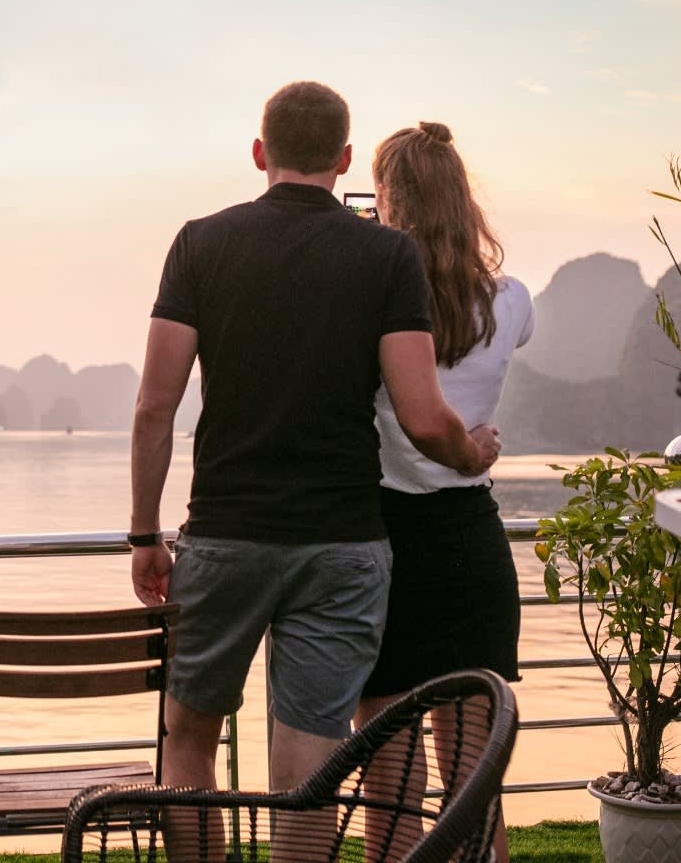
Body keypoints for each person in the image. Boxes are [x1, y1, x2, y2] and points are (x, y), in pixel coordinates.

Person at [128, 82, 501, 858]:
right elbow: (424, 416)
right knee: (307, 763)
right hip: (341, 545)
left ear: (259, 152)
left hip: (224, 535)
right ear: (342, 159)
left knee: (187, 739)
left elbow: (154, 407)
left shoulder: (199, 243)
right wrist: (474, 455)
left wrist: (142, 535)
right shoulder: (386, 255)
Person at [355, 121, 534, 863]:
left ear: (387, 199)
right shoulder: (511, 300)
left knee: (391, 783)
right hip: (471, 541)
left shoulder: (369, 299)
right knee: (473, 783)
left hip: (384, 538)